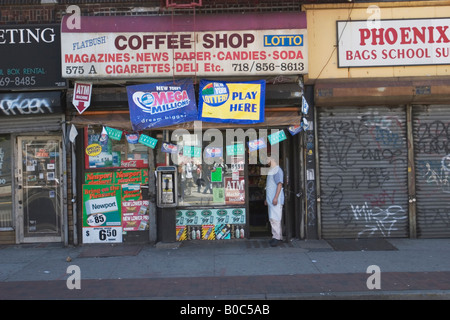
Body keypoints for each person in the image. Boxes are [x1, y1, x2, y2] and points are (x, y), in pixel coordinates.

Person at [264, 156, 284, 247]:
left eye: (268, 159)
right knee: (273, 218)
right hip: (271, 199)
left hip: (275, 200)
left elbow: (279, 184)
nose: (267, 161)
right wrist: (267, 199)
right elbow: (269, 186)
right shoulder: (272, 170)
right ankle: (277, 237)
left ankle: (276, 238)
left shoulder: (277, 170)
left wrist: (276, 197)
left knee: (275, 218)